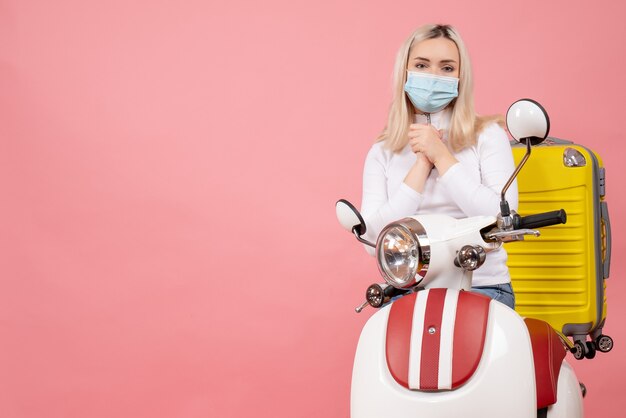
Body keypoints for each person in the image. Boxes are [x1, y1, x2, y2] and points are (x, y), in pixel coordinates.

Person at [360, 24, 518, 309]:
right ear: (405, 73)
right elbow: (372, 240)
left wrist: (442, 157)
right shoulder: (382, 151)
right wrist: (421, 166)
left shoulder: (487, 134)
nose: (433, 76)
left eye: (447, 68)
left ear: (461, 77)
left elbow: (502, 221)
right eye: (421, 65)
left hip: (482, 287)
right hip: (406, 290)